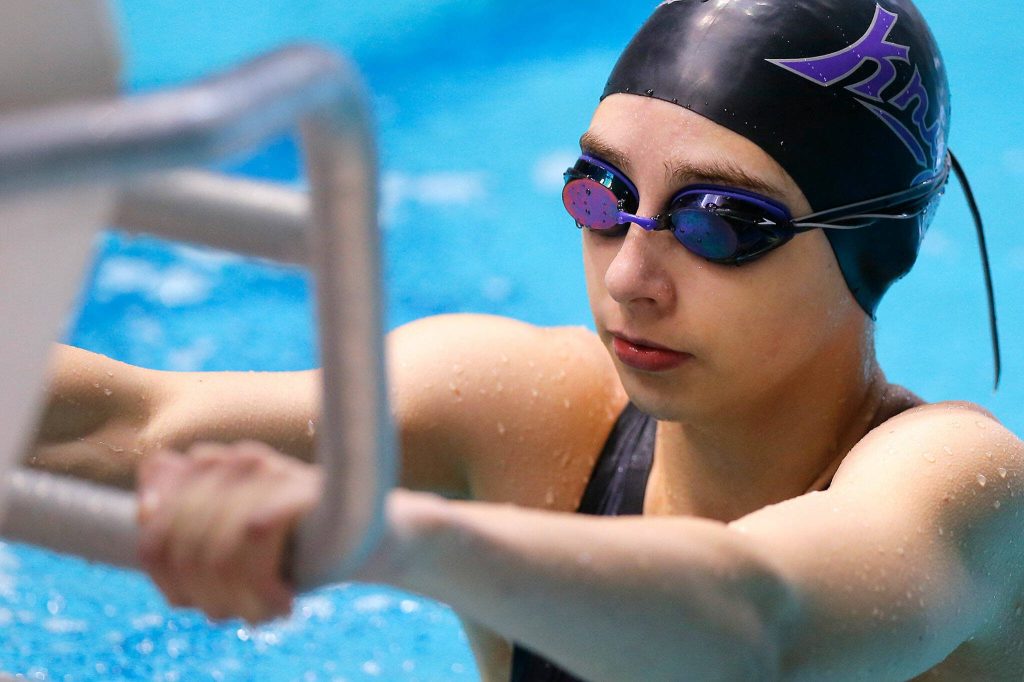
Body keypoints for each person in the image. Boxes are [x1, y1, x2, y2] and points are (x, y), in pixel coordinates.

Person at [29, 0, 1023, 679]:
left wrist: (392, 533)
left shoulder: (958, 489)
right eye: (603, 197)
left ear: (871, 246)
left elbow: (760, 626)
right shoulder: (519, 413)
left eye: (720, 223)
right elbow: (132, 422)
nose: (629, 276)